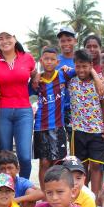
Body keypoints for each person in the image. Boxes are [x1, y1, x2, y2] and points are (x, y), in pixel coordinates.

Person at [0, 30, 36, 179]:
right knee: (4, 155)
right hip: (1, 111)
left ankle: (23, 186)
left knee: (24, 156)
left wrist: (37, 78)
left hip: (24, 111)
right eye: (0, 38)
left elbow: (35, 76)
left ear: (15, 39)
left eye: (8, 37)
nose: (4, 41)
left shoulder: (27, 58)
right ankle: (5, 187)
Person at [66, 49, 104, 196]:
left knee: (96, 165)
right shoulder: (71, 81)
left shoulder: (100, 82)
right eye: (78, 66)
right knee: (80, 166)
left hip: (97, 130)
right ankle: (81, 196)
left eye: (85, 66)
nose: (81, 69)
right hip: (78, 130)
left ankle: (95, 197)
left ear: (91, 65)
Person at [31, 47, 69, 191]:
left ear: (57, 62)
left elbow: (81, 68)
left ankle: (57, 189)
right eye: (46, 59)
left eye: (53, 59)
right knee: (44, 163)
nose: (49, 62)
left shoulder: (63, 75)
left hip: (58, 127)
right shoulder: (37, 81)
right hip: (40, 127)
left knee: (57, 162)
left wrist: (67, 67)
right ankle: (45, 193)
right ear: (41, 60)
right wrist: (34, 75)